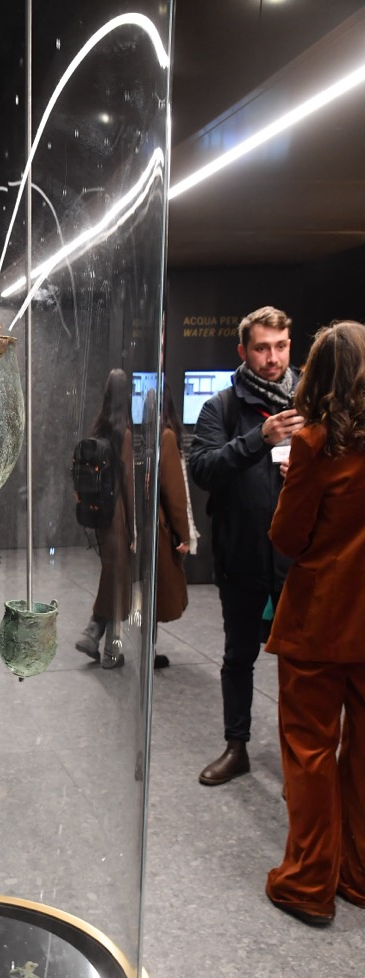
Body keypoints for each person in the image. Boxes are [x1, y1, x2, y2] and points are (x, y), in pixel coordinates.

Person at [264, 321, 365, 926]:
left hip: (319, 625)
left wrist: (290, 489)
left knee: (309, 751)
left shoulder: (314, 444)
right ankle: (358, 874)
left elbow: (288, 537)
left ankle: (307, 882)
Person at [189, 306, 302, 786]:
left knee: (300, 663)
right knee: (239, 656)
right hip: (241, 558)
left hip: (300, 562)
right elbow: (203, 469)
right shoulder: (222, 407)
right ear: (243, 350)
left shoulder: (310, 402)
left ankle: (300, 761)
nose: (272, 358)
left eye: (280, 346)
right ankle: (236, 748)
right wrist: (260, 438)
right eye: (261, 348)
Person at [75, 368, 135, 669]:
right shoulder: (124, 433)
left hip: (99, 515)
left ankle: (95, 634)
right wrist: (134, 528)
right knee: (118, 580)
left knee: (112, 574)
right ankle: (106, 643)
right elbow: (129, 485)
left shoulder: (98, 427)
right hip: (118, 516)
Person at [144, 383, 190, 668]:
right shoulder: (167, 437)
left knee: (146, 593)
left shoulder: (145, 438)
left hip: (144, 527)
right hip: (161, 530)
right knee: (156, 595)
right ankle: (147, 653)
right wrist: (184, 534)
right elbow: (174, 493)